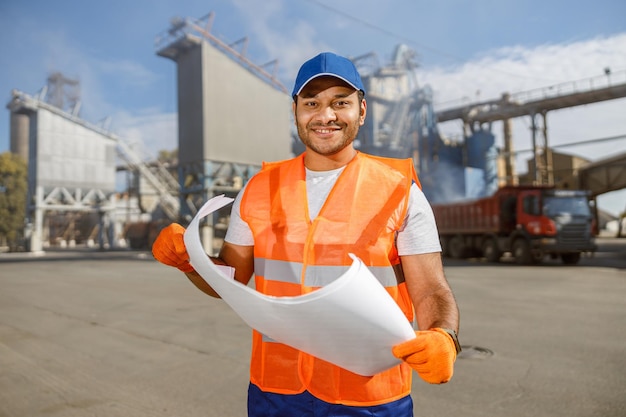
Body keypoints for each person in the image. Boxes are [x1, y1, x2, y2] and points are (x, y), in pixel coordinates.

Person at [152, 52, 460, 417]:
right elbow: (232, 278)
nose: (325, 115)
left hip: (369, 394)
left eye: (339, 103)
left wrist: (444, 336)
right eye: (311, 103)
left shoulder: (399, 190)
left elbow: (430, 288)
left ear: (362, 111)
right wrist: (190, 262)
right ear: (295, 111)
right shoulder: (259, 188)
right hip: (276, 391)